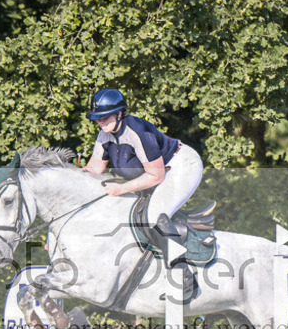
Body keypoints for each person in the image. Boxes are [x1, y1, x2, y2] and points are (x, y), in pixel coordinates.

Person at [81, 88, 204, 257]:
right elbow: (94, 169)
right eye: (97, 118)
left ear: (119, 113)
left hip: (182, 166)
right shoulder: (104, 135)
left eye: (105, 117)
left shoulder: (138, 131)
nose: (100, 121)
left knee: (155, 215)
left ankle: (180, 266)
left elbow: (156, 176)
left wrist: (121, 189)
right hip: (158, 174)